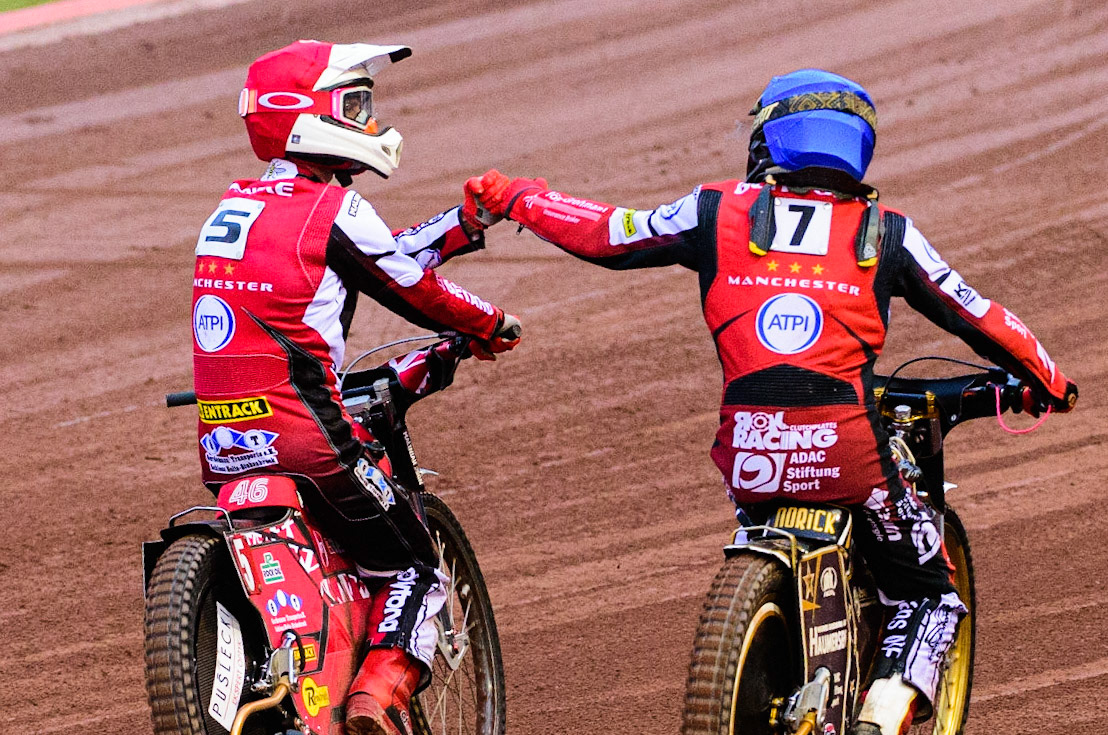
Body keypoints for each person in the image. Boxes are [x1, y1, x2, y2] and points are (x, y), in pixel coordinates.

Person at [465, 69, 1077, 735]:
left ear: (771, 142)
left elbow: (609, 233)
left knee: (772, 500)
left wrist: (519, 198)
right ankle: (884, 710)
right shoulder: (889, 231)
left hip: (749, 452)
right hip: (848, 453)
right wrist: (1048, 378)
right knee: (931, 593)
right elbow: (978, 316)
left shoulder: (713, 209)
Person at [192, 40, 520, 735]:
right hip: (310, 438)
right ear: (305, 116)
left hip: (223, 442)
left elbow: (375, 257)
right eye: (354, 106)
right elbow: (408, 284)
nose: (368, 121)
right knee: (416, 563)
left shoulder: (235, 205)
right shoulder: (334, 206)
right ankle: (376, 693)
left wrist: (463, 227)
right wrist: (492, 321)